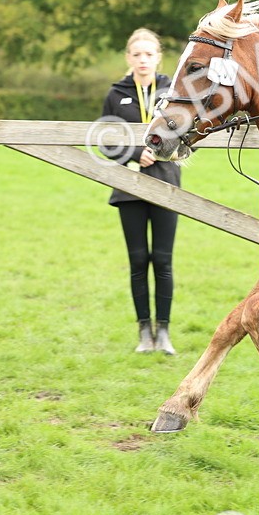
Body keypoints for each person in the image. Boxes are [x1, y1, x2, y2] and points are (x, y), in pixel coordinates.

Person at [100, 28, 180, 354]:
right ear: (128, 58)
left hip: (165, 183)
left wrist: (161, 154)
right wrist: (134, 154)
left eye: (149, 54)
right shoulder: (116, 93)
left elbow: (191, 132)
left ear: (158, 57)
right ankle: (144, 333)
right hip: (128, 186)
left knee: (162, 260)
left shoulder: (173, 91)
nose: (143, 60)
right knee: (137, 260)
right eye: (137, 55)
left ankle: (164, 332)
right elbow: (105, 138)